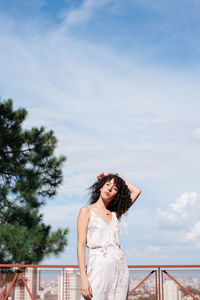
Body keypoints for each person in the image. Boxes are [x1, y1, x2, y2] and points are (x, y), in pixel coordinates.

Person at [77, 172, 141, 300]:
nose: (110, 189)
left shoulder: (115, 214)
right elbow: (81, 244)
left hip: (120, 268)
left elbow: (136, 191)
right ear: (100, 187)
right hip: (98, 268)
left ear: (117, 194)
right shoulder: (86, 211)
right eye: (107, 184)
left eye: (115, 188)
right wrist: (83, 278)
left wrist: (113, 176)